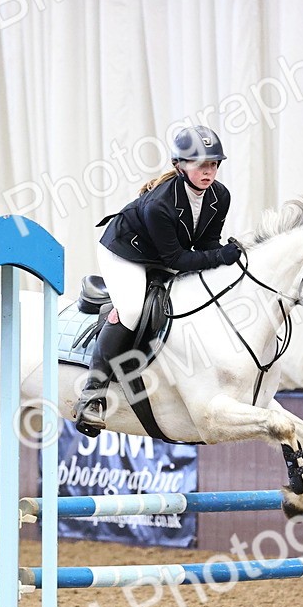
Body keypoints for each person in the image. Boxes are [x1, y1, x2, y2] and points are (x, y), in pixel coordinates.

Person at [75, 125, 242, 436]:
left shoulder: (220, 196)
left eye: (213, 164)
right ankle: (92, 395)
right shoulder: (160, 203)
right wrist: (221, 257)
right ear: (180, 166)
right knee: (132, 310)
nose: (208, 172)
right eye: (200, 165)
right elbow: (176, 260)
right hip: (126, 253)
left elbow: (206, 245)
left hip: (163, 253)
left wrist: (230, 262)